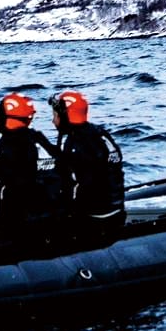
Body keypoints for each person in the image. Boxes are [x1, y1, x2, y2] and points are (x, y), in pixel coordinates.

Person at [49, 90, 126, 242]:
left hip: (94, 218)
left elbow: (73, 185)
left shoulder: (76, 143)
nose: (53, 121)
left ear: (65, 115)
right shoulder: (99, 133)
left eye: (55, 115)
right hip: (116, 210)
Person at [0, 91, 62, 247]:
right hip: (52, 220)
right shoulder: (39, 138)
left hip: (24, 227)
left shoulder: (7, 145)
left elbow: (6, 189)